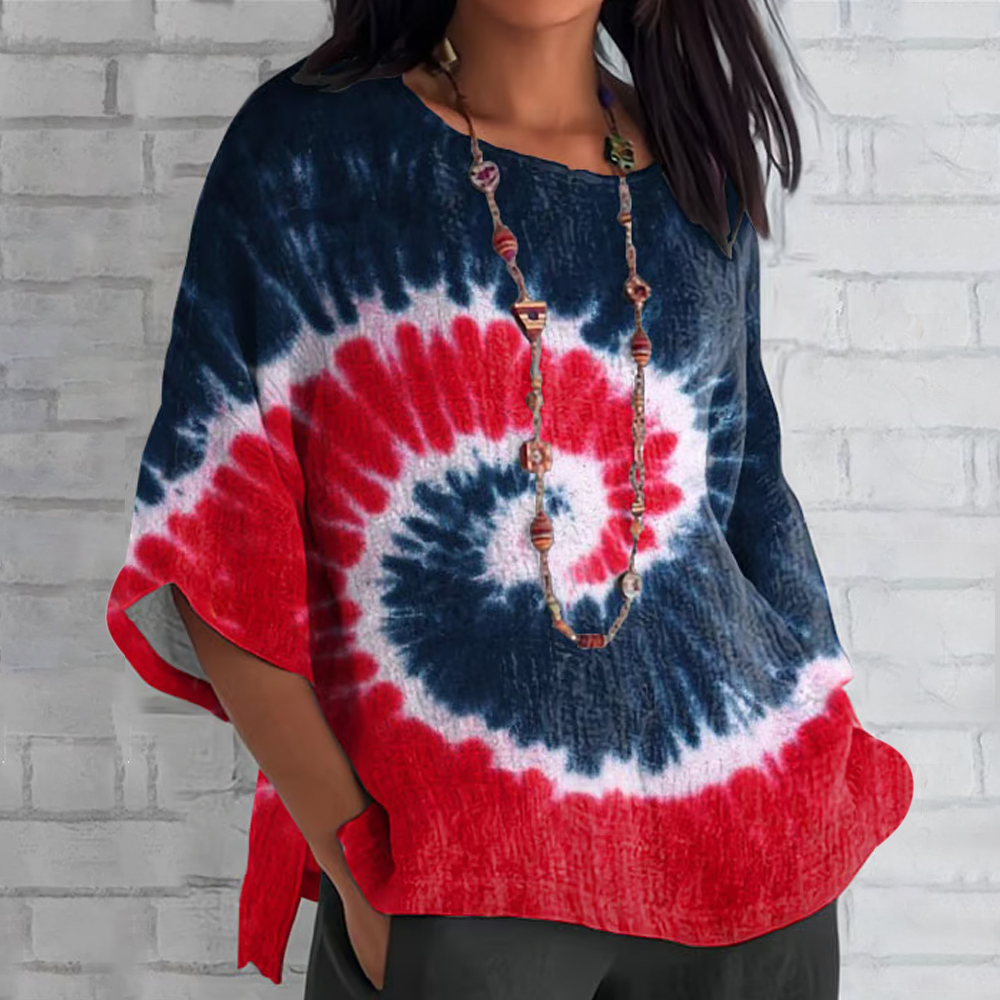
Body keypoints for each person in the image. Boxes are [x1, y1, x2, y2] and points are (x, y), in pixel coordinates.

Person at [105, 1, 915, 997]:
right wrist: (357, 867)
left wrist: (819, 743)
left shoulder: (698, 165)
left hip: (755, 872)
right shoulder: (309, 157)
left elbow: (743, 497)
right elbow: (213, 543)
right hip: (468, 896)